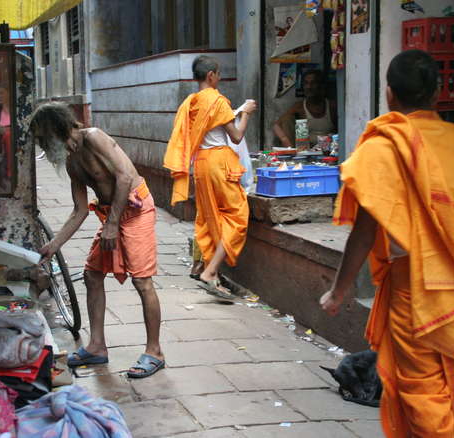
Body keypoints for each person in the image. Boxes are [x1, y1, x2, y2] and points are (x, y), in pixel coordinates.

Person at [319, 49, 454, 438]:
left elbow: (365, 232)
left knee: (422, 394)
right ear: (437, 95)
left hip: (415, 292)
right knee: (452, 385)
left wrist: (338, 291)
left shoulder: (383, 149)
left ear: (389, 95)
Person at [31, 102, 165, 379]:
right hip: (111, 216)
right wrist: (52, 247)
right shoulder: (72, 162)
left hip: (135, 210)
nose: (44, 147)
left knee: (142, 281)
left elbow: (125, 175)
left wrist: (113, 224)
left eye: (44, 139)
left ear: (57, 129)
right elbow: (79, 210)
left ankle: (155, 351)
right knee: (92, 275)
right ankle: (97, 346)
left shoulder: (94, 137)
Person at [164, 55, 257, 300]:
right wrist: (246, 112)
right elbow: (236, 136)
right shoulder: (217, 100)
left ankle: (210, 272)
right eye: (218, 73)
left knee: (210, 217)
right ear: (211, 75)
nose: (220, 77)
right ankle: (211, 271)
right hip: (219, 163)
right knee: (237, 216)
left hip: (202, 164)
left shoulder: (191, 102)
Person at [274, 69, 337, 148]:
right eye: (306, 83)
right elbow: (277, 125)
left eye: (313, 83)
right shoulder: (299, 107)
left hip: (328, 150)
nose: (309, 87)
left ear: (321, 85)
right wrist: (286, 142)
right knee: (287, 119)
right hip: (306, 151)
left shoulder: (332, 106)